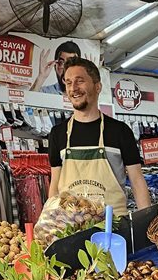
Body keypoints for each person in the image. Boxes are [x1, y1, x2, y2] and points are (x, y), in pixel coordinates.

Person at [46, 58, 151, 214]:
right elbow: (55, 183)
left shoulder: (120, 131)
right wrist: (50, 221)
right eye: (68, 83)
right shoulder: (58, 134)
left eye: (79, 81)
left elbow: (137, 180)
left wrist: (146, 222)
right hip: (71, 227)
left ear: (98, 86)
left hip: (113, 228)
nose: (73, 88)